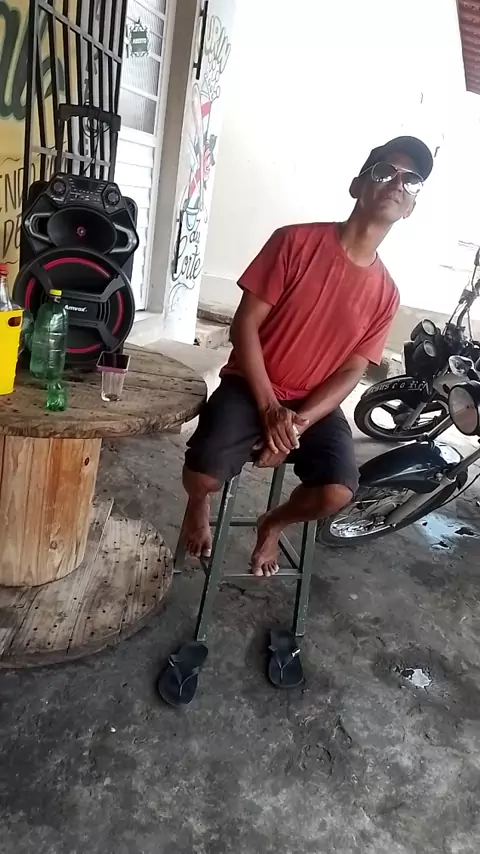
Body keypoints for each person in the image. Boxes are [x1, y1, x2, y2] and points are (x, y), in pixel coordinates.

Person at [182, 135, 434, 577]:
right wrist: (269, 409)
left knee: (337, 491)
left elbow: (354, 368)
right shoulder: (294, 242)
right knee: (203, 475)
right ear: (357, 186)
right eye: (385, 172)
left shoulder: (386, 293)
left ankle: (273, 523)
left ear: (411, 207)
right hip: (251, 384)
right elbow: (244, 325)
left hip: (312, 403)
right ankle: (197, 504)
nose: (398, 183)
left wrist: (296, 424)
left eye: (411, 180)